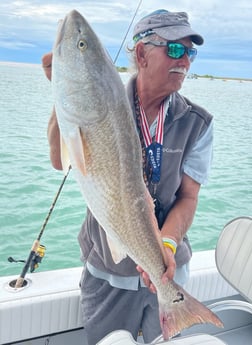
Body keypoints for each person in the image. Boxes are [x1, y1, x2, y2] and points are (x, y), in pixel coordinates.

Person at [42, 9, 213, 344]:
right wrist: (60, 94)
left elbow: (188, 197)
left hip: (168, 269)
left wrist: (165, 244)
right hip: (106, 274)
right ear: (141, 54)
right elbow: (60, 161)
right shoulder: (99, 98)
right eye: (174, 49)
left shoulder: (198, 123)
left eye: (189, 51)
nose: (185, 61)